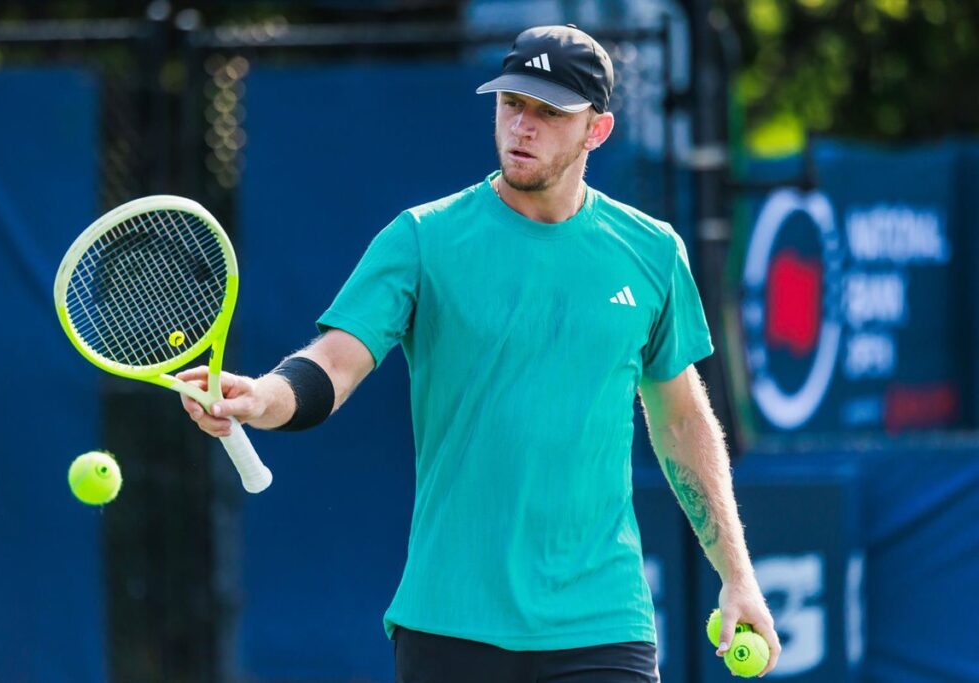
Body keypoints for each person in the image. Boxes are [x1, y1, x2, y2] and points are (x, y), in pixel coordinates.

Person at [179, 24, 781, 683]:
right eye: (512, 104)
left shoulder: (652, 252)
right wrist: (262, 397)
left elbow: (682, 420)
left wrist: (738, 576)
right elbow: (335, 362)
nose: (523, 126)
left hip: (602, 624)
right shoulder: (423, 239)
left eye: (550, 113)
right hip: (449, 625)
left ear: (597, 131)